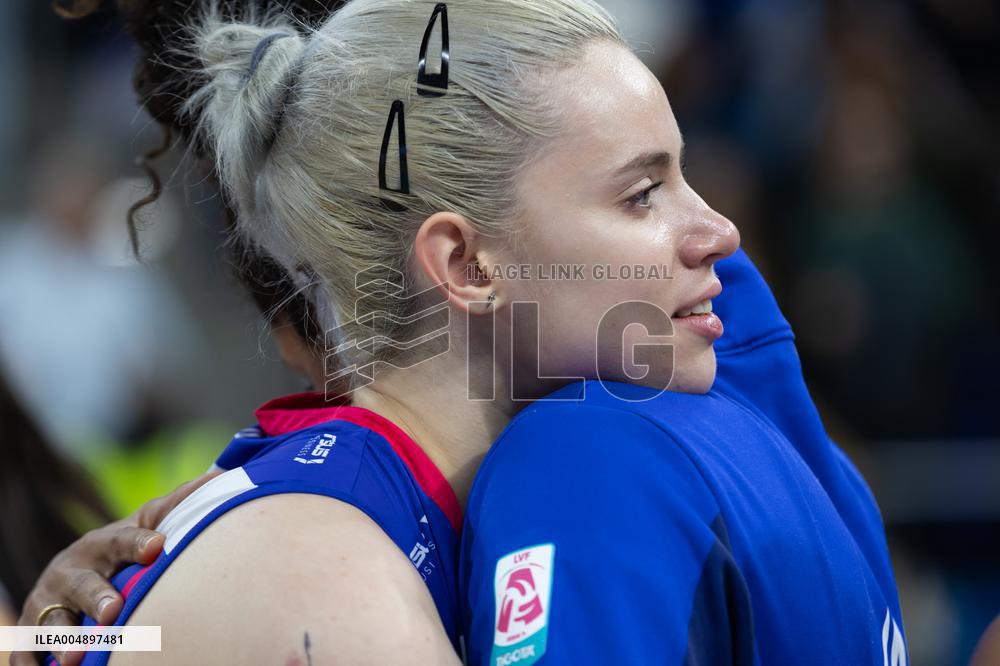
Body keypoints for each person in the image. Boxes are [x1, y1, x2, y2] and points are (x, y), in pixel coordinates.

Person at [13, 0, 908, 665]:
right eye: (643, 193)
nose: (721, 233)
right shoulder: (342, 578)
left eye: (686, 176)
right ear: (468, 266)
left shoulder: (378, 510)